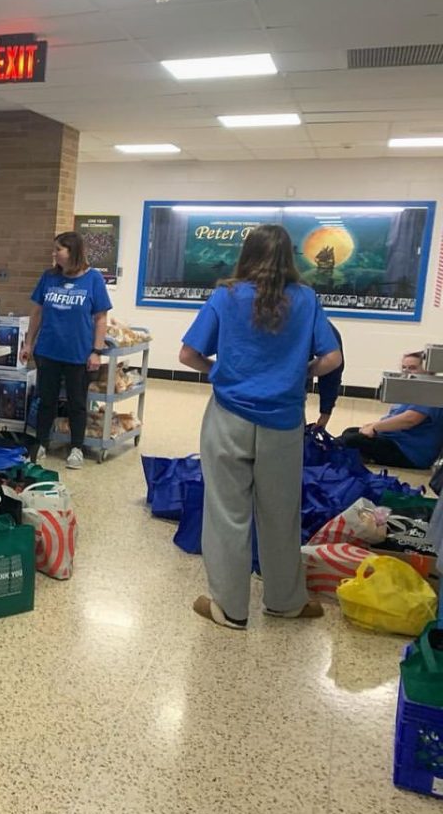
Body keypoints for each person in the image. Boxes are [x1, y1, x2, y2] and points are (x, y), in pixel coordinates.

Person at [179, 224, 342, 629]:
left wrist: (218, 370)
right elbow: (333, 358)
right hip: (283, 421)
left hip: (229, 415)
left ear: (246, 255)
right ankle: (285, 601)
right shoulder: (305, 299)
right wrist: (300, 372)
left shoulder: (226, 296)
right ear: (290, 257)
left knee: (226, 513)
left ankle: (229, 609)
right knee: (280, 513)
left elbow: (187, 355)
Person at [20, 231, 112, 469]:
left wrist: (96, 351)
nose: (54, 254)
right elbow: (37, 312)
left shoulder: (93, 279)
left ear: (72, 252)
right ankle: (41, 443)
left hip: (78, 353)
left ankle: (76, 448)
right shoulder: (49, 277)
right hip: (48, 350)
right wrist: (28, 343)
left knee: (77, 402)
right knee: (46, 399)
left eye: (58, 250)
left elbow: (101, 318)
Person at [339, 351, 443, 468]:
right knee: (350, 432)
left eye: (412, 368)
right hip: (395, 440)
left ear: (428, 371)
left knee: (350, 440)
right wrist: (373, 425)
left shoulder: (430, 393)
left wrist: (374, 427)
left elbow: (410, 420)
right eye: (404, 368)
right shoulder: (415, 391)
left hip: (408, 452)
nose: (407, 372)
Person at [310, 322, 344, 429]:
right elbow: (332, 360)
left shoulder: (307, 313)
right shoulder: (307, 311)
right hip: (286, 403)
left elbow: (331, 360)